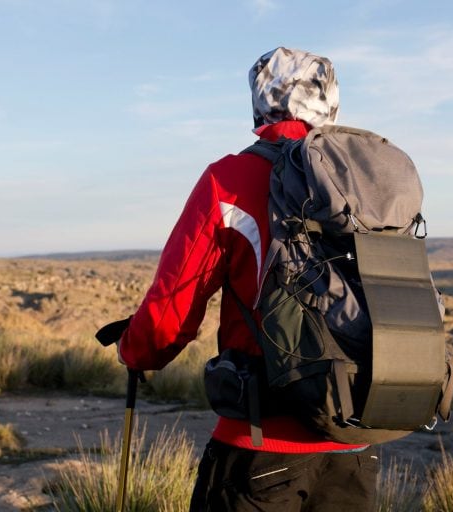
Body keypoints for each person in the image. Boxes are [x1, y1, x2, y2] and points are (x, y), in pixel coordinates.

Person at [118, 47, 379, 511]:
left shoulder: (231, 180)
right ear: (332, 104)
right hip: (355, 446)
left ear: (260, 102)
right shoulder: (370, 184)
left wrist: (134, 350)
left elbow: (168, 316)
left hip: (261, 444)